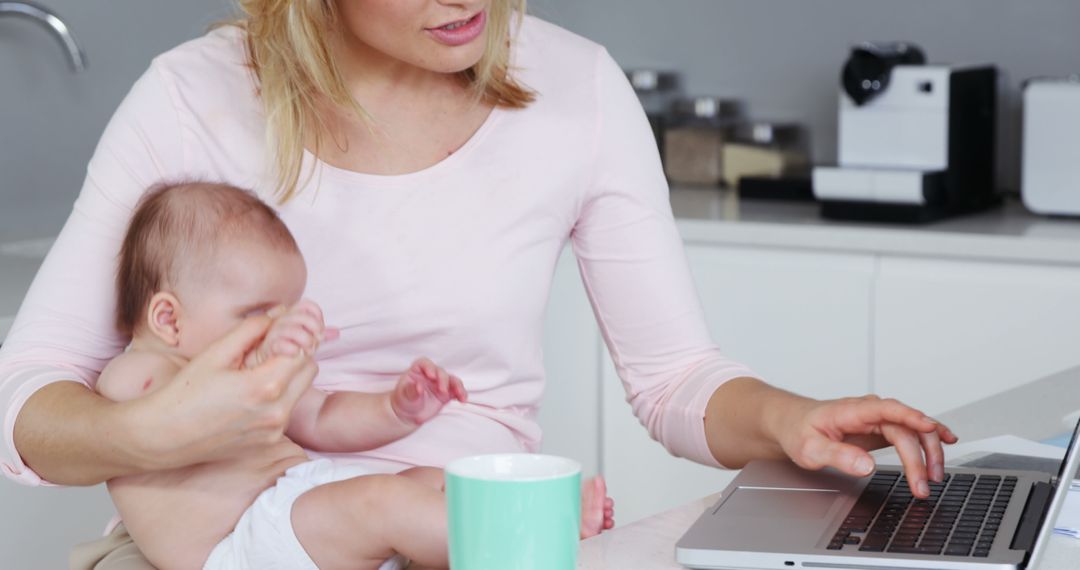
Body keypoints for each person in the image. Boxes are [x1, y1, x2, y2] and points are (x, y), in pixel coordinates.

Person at [0, 1, 956, 568]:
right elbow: (25, 404)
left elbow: (674, 382)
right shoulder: (192, 96)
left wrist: (792, 418)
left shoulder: (575, 89)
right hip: (226, 542)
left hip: (467, 535)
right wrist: (152, 433)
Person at [94, 181, 612, 569]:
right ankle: (524, 546)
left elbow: (322, 417)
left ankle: (530, 521)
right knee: (382, 501)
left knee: (426, 480)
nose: (276, 327)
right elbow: (174, 420)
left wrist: (397, 407)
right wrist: (264, 356)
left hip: (293, 509)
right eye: (257, 314)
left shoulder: (256, 383)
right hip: (237, 547)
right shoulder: (133, 377)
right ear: (168, 319)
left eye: (288, 309)